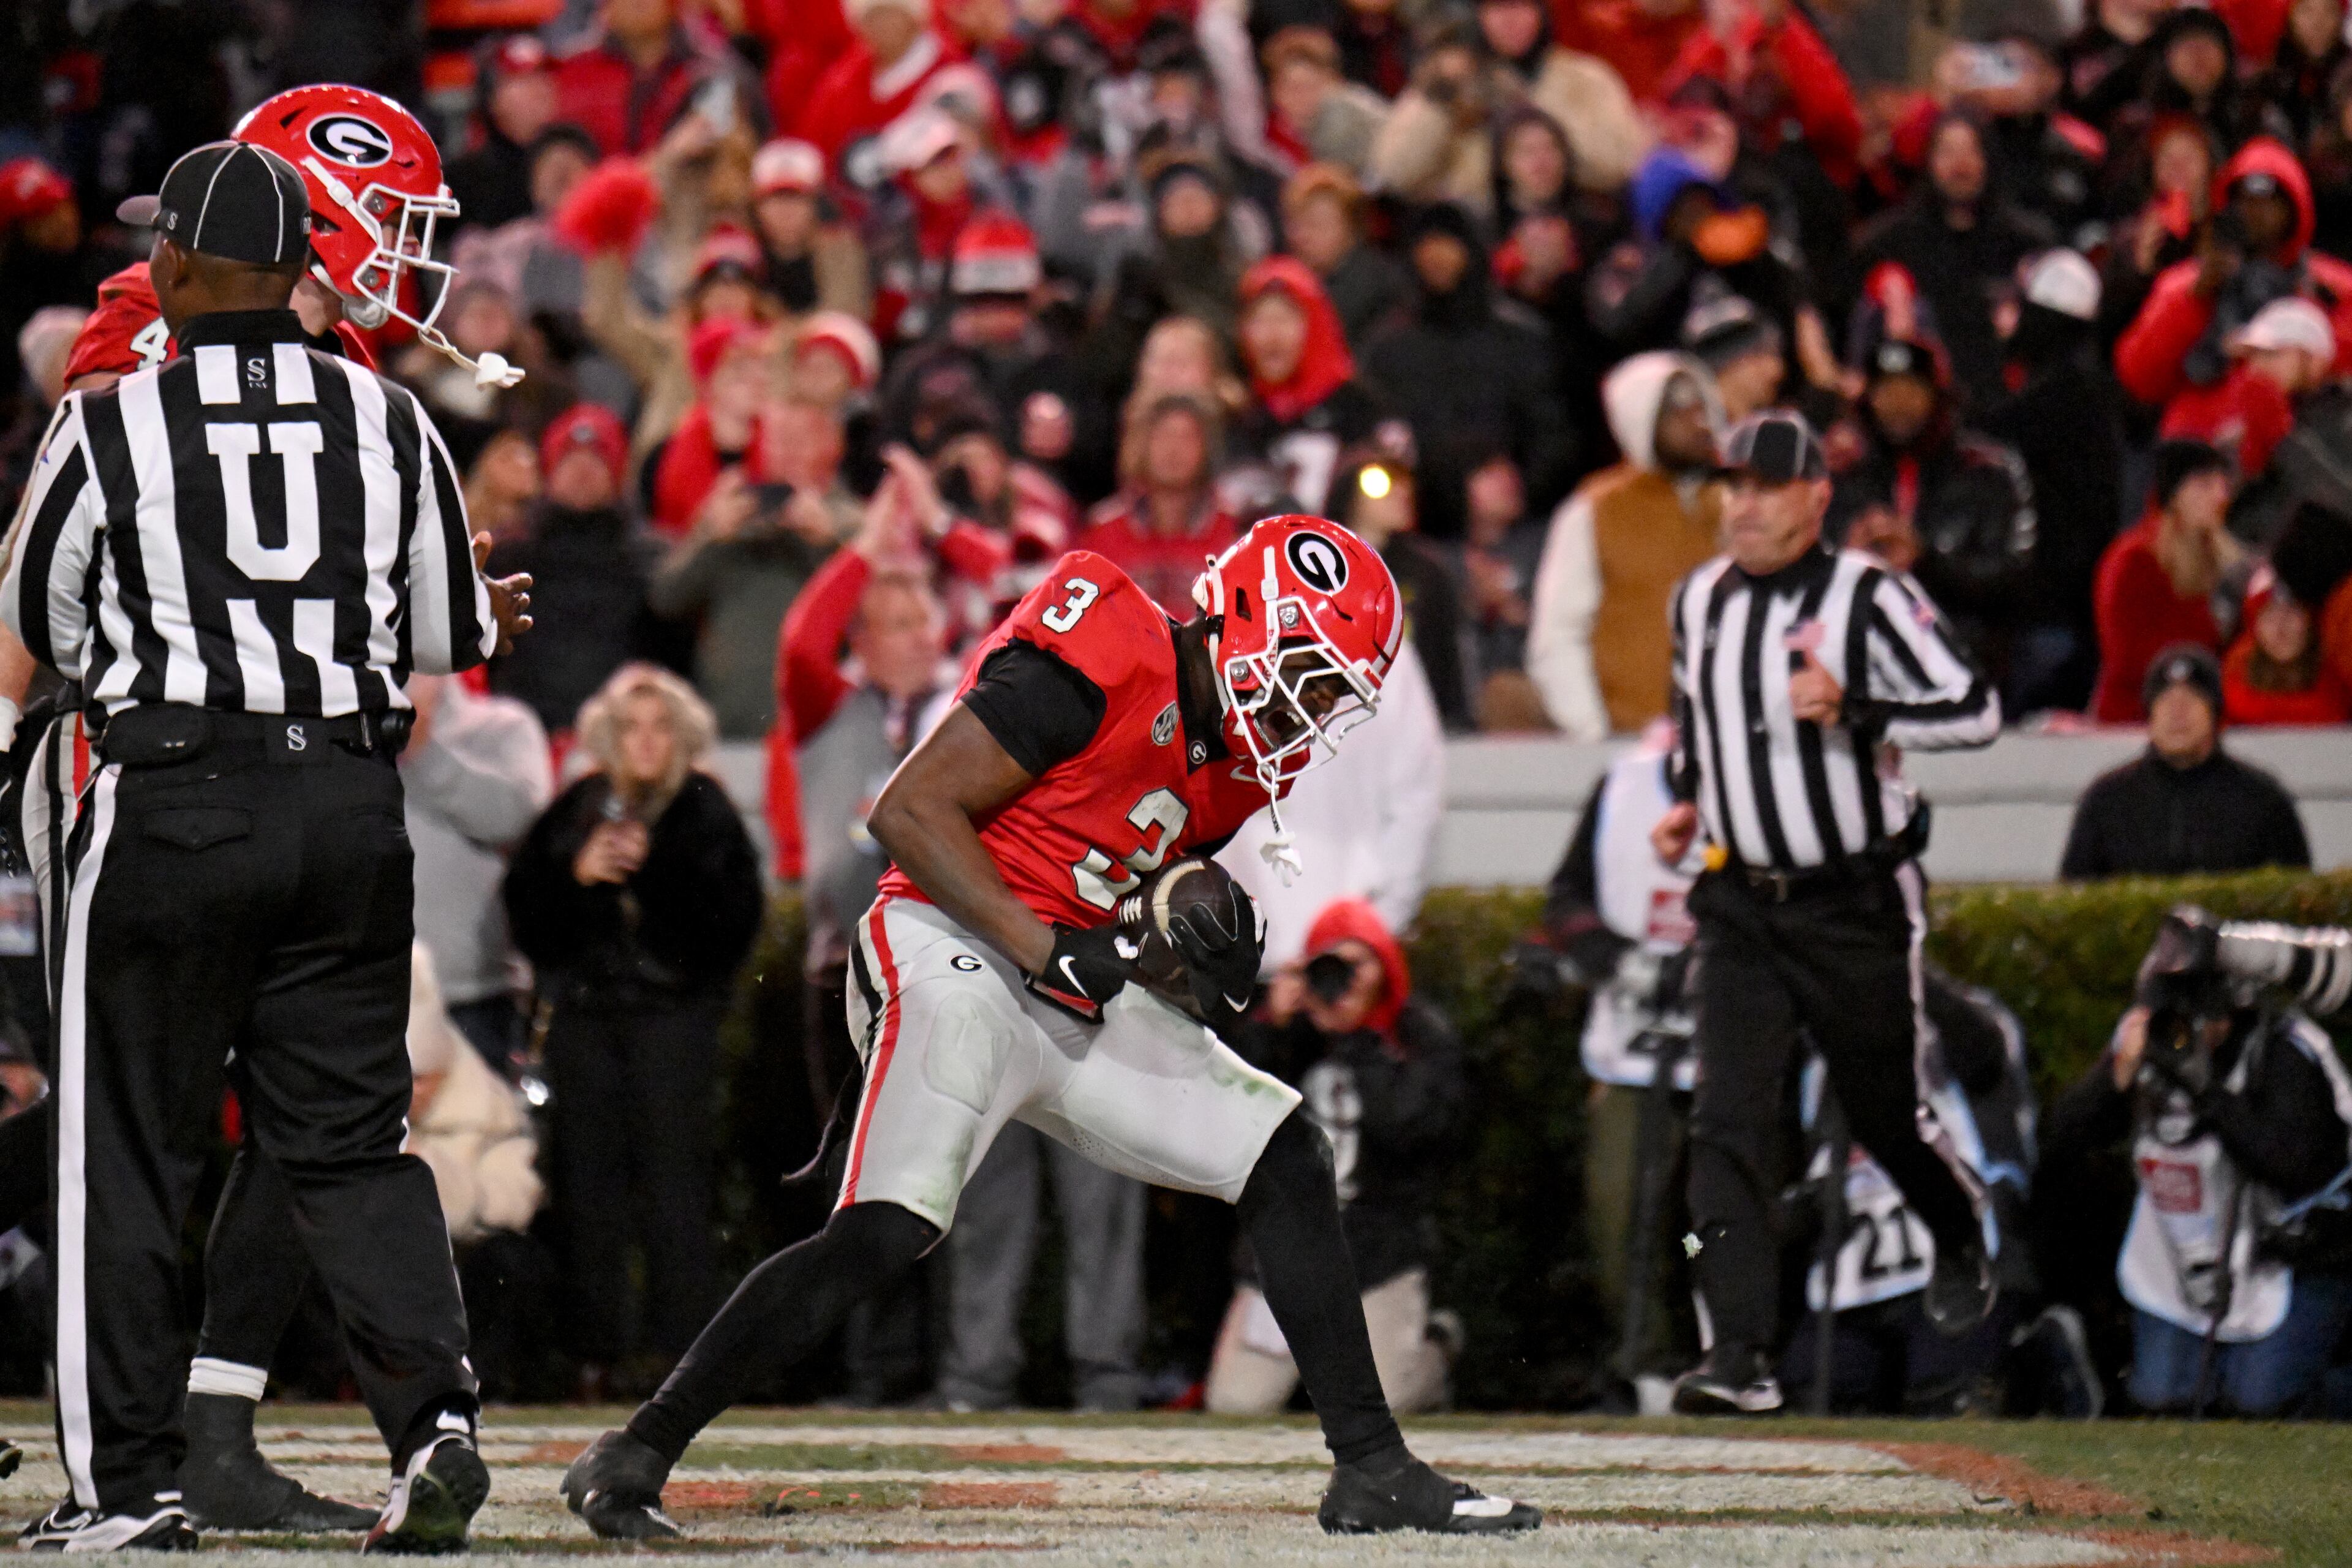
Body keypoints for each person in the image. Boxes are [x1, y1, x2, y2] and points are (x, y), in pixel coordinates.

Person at [557, 516, 1541, 1539]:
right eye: (1316, 672)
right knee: (888, 1228)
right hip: (949, 941)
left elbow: (1117, 892)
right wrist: (1049, 949)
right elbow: (912, 810)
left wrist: (1179, 947)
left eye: (1340, 690)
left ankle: (1373, 1467)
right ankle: (634, 1451)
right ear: (1253, 619)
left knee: (1282, 1153)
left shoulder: (1250, 764)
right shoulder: (1106, 643)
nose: (1321, 707)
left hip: (1061, 981)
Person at [0, 137, 529, 1550]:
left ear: (169, 268)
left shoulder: (114, 417)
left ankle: (127, 1488)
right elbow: (448, 634)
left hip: (175, 794)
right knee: (352, 1146)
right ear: (305, 269)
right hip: (350, 807)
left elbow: (43, 622)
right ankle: (435, 1429)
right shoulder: (387, 417)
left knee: (129, 1149)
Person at [1654, 411, 2002, 1417]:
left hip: (1853, 898)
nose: (1745, 505)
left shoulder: (1868, 597)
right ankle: (1741, 1351)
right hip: (1739, 901)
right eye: (1734, 486)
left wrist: (1860, 710)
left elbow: (1976, 707)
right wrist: (1689, 804)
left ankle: (1960, 1227)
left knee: (1887, 1116)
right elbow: (1697, 730)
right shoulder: (1699, 602)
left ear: (1816, 498)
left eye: (1767, 487)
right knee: (1725, 1120)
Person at [503, 664, 763, 1398]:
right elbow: (528, 917)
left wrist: (658, 876)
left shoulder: (706, 810)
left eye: (659, 726)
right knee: (589, 1188)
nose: (646, 742)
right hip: (589, 1020)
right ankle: (596, 1353)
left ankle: (683, 1358)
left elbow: (731, 925)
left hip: (672, 1021)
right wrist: (577, 877)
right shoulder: (576, 809)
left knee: (677, 1187)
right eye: (631, 726)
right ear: (607, 736)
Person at [2043, 909, 2352, 1417]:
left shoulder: (2287, 1053)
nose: (2181, 1025)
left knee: (2261, 1403)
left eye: (2196, 1012)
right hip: (2181, 1255)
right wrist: (2113, 1080)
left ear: (2233, 1009)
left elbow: (2290, 1164)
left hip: (2299, 1255)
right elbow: (2065, 1137)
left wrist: (2208, 1091)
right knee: (2164, 1399)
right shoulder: (2147, 1041)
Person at [1205, 899, 1466, 1416]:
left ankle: (1437, 1346)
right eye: (1329, 965)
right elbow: (1222, 1117)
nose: (1342, 981)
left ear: (1386, 968)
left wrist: (1359, 1040)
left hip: (1377, 1257)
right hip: (1284, 1257)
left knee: (1388, 1401)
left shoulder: (1415, 1036)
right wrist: (1269, 1028)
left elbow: (1409, 1129)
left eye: (1358, 964)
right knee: (1236, 1405)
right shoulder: (1292, 1036)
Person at [1532, 725, 1699, 1411]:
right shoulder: (1626, 785)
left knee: (1718, 1227)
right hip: (1633, 1048)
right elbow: (1565, 899)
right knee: (1620, 1215)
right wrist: (1619, 959)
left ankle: (1731, 1359)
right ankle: (1648, 1367)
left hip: (1736, 1051)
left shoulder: (1768, 785)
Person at [1826, 333, 2038, 703]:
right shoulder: (1844, 477)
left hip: (1970, 656)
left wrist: (1925, 560)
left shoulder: (1990, 472)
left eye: (1911, 390)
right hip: (1862, 662)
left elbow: (2016, 579)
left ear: (1938, 397)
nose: (1898, 404)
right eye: (1886, 391)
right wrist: (1847, 561)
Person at [1526, 352, 1725, 740]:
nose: (1697, 420)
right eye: (1678, 409)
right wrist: (1593, 732)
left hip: (1725, 745)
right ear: (1640, 418)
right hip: (1629, 742)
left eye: (1701, 404)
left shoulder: (1736, 504)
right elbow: (1557, 638)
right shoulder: (1594, 512)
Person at [402, 674, 554, 1072]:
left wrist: (421, 752)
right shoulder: (335, 729)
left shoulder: (502, 727)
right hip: (351, 994)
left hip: (470, 996)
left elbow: (521, 821)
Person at [2061, 644, 2313, 880]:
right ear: (2150, 716)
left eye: (2191, 700)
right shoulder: (2108, 800)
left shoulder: (2263, 799)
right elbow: (2073, 900)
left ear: (2215, 715)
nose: (2177, 713)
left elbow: (2295, 898)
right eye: (2167, 702)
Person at [2090, 439, 2242, 723]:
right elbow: (2126, 658)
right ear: (2174, 494)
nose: (2221, 496)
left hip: (2200, 717)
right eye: (2205, 484)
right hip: (2137, 720)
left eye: (2223, 484)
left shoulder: (2223, 561)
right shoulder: (2135, 560)